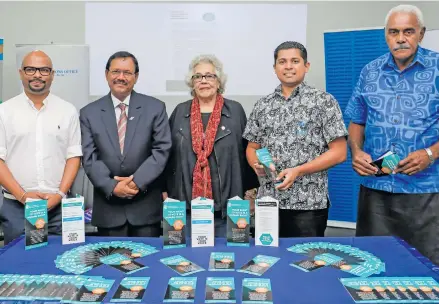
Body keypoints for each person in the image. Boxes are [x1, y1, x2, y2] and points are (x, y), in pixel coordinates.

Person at [345, 4, 439, 264]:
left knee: (425, 268)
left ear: (421, 34)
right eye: (393, 32)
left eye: (408, 31)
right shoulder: (370, 72)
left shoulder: (438, 69)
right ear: (385, 35)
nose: (400, 39)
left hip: (426, 191)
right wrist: (356, 151)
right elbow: (357, 120)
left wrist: (431, 153)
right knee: (371, 263)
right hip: (376, 190)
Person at [243, 41, 348, 237]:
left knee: (306, 261)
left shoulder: (324, 101)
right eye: (282, 61)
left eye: (295, 61)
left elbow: (340, 153)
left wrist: (298, 171)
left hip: (308, 204)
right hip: (269, 202)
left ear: (306, 66)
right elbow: (251, 147)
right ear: (275, 68)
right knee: (268, 261)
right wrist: (255, 164)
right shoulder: (262, 105)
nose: (288, 66)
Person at [163, 54, 259, 237]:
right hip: (186, 209)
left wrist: (250, 195)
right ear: (192, 83)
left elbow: (246, 155)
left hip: (229, 208)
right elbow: (168, 156)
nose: (204, 81)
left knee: (227, 260)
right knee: (187, 261)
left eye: (209, 76)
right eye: (198, 76)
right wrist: (165, 193)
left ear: (219, 81)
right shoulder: (180, 111)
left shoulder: (236, 111)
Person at [80, 51, 171, 237]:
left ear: (136, 77)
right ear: (106, 74)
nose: (121, 77)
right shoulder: (89, 113)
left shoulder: (155, 108)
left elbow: (162, 150)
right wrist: (112, 186)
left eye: (127, 73)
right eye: (116, 72)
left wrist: (136, 182)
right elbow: (89, 157)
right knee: (109, 263)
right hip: (109, 208)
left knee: (148, 263)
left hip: (145, 208)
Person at [0, 51, 82, 244]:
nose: (37, 75)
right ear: (21, 73)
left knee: (63, 265)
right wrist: (23, 196)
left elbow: (74, 156)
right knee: (20, 267)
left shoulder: (67, 110)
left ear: (52, 74)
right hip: (17, 208)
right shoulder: (4, 112)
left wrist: (59, 195)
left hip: (59, 208)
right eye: (31, 69)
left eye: (44, 70)